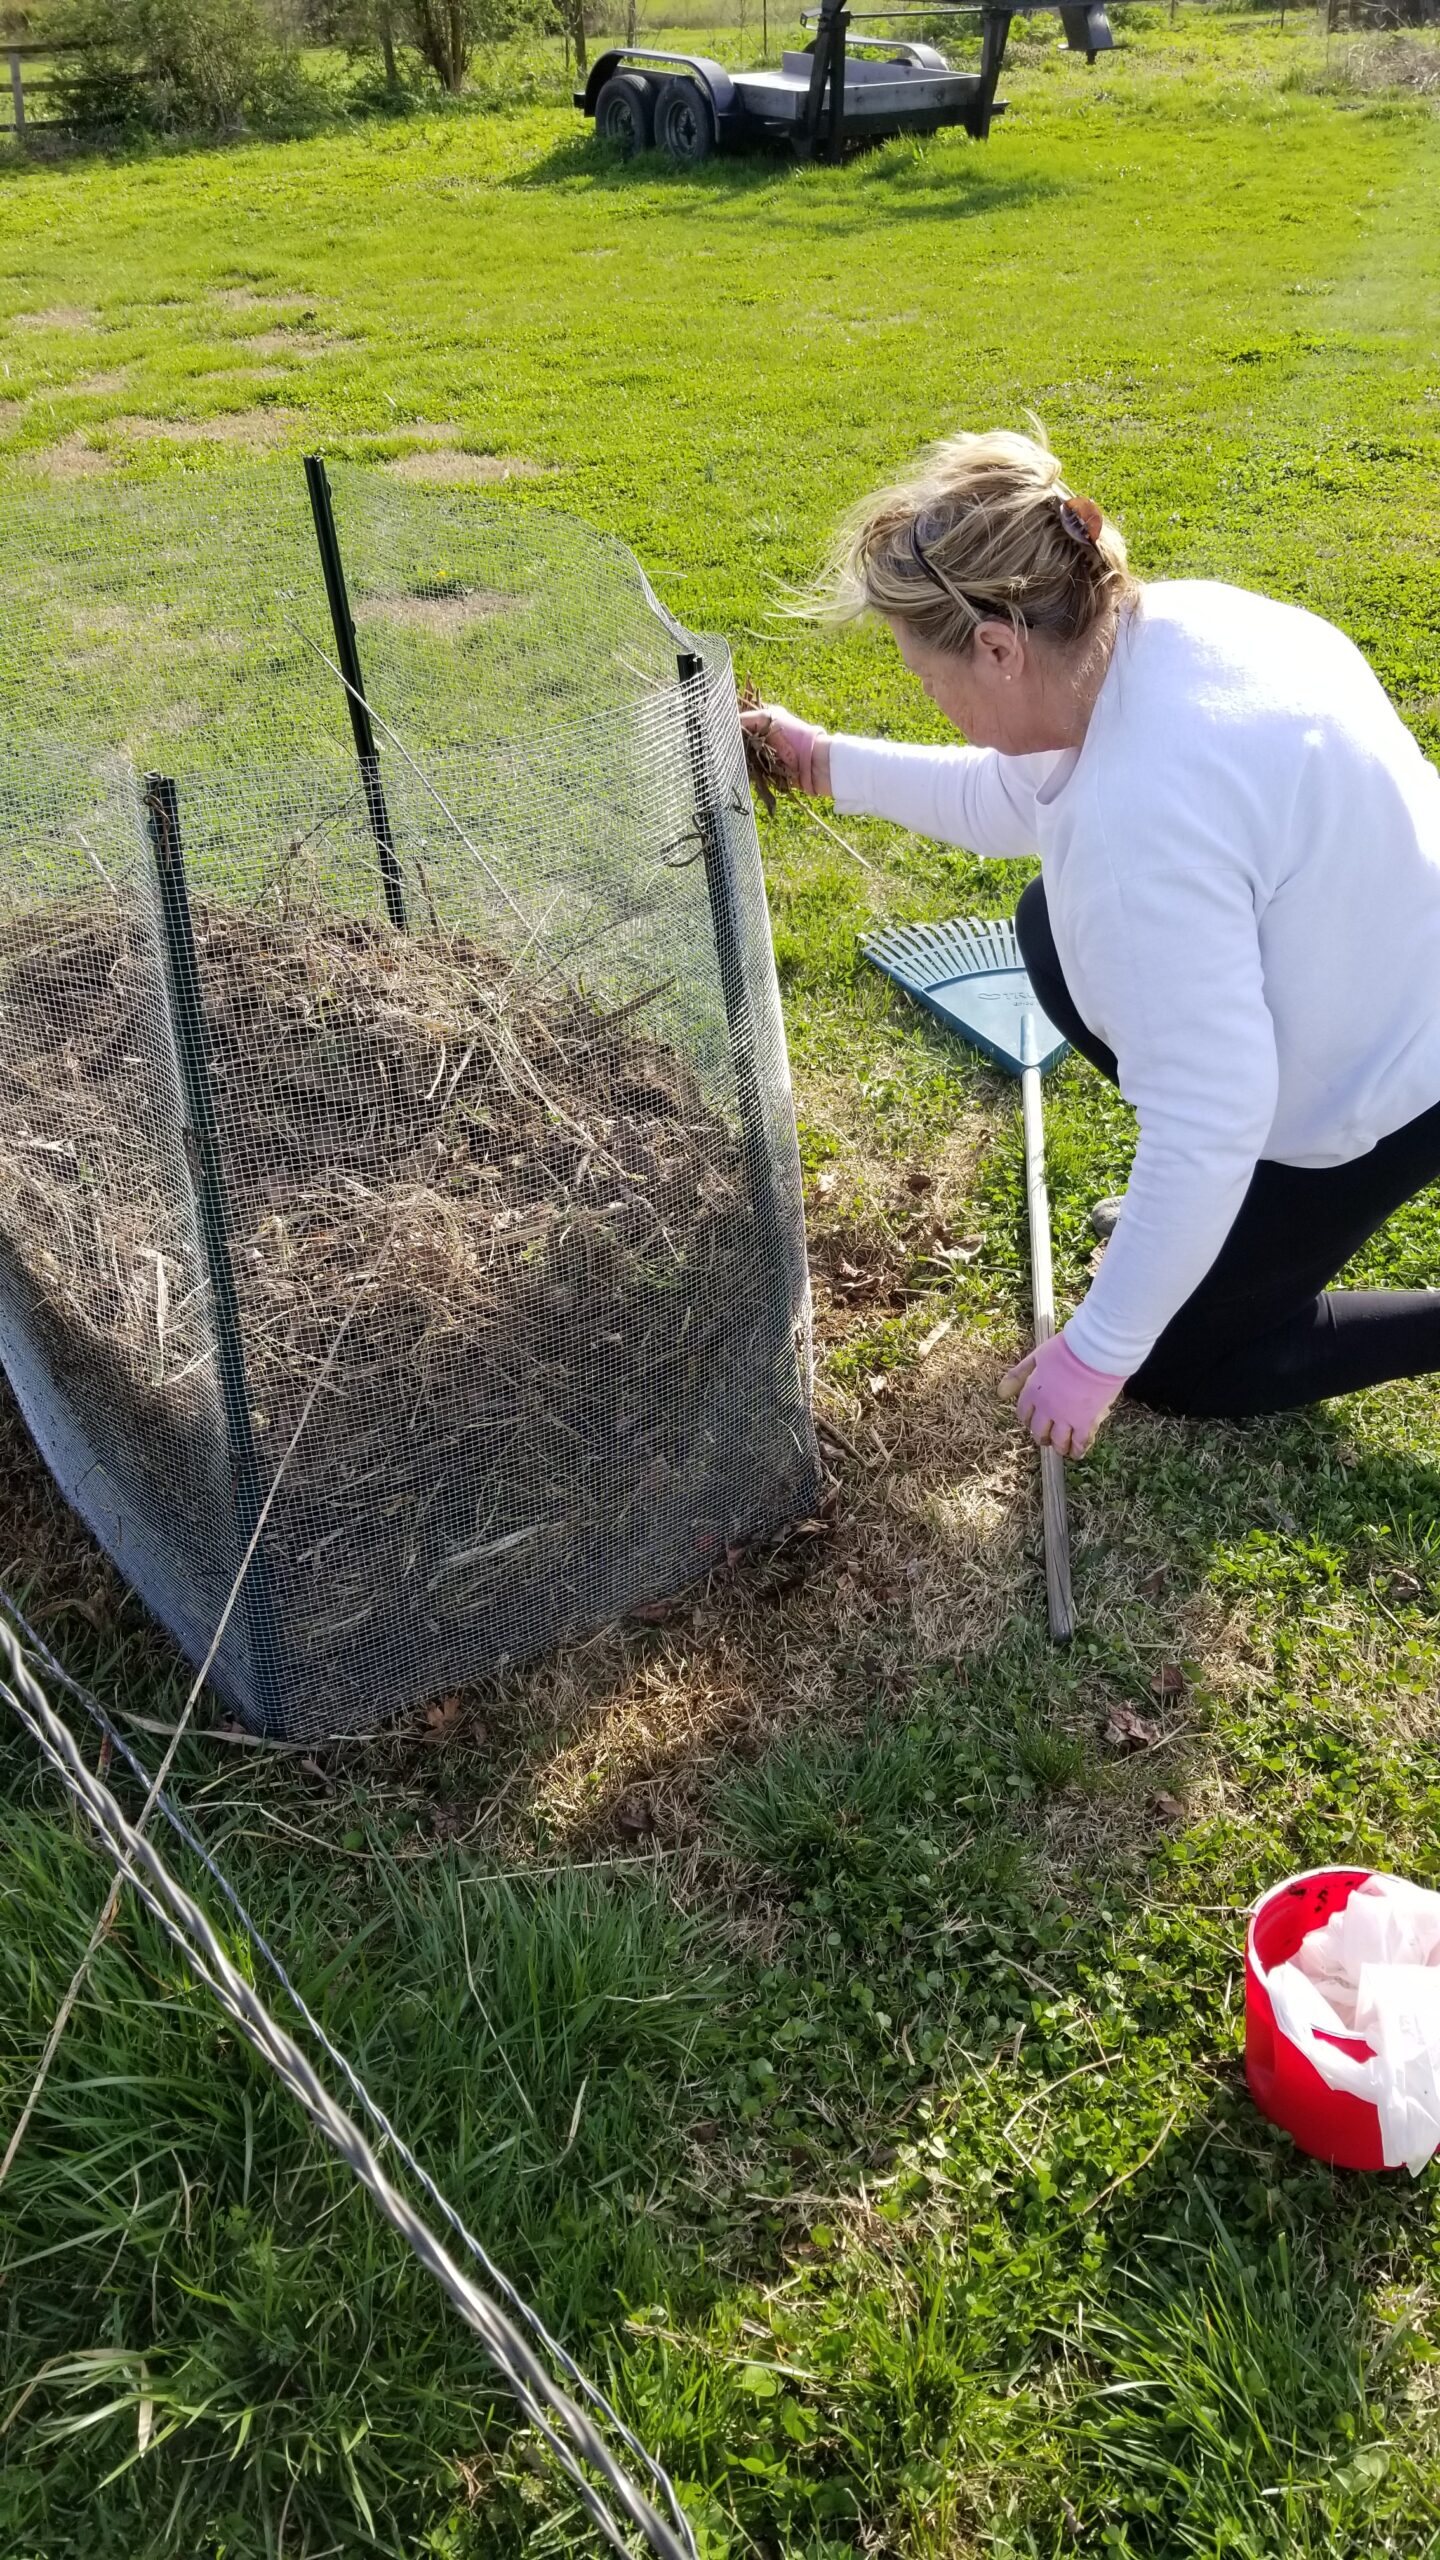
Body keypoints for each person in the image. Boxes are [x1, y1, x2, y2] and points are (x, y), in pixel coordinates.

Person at [741, 428, 1440, 1460]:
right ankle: (1200, 1229)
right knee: (1048, 933)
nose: (927, 695)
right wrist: (823, 763)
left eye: (926, 674)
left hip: (1395, 1077)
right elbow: (1006, 796)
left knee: (1183, 1358)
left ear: (997, 646)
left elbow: (1211, 1118)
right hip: (1387, 955)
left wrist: (1101, 1347)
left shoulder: (1137, 827)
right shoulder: (1165, 628)